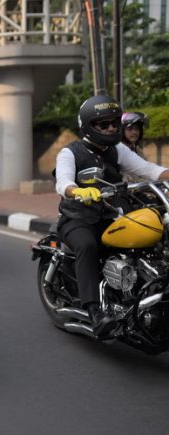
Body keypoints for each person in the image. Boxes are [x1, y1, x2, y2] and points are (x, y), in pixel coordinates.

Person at [54, 95, 169, 339]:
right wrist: (77, 191)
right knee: (87, 245)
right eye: (103, 124)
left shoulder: (117, 150)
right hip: (78, 219)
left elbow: (147, 169)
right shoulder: (70, 152)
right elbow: (63, 181)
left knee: (154, 231)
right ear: (87, 126)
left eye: (114, 123)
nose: (111, 128)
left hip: (112, 215)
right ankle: (94, 311)